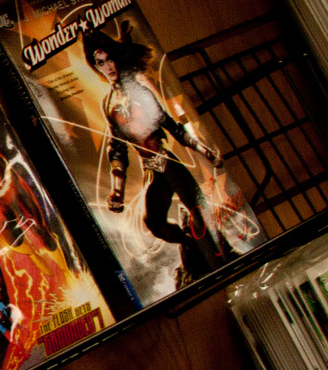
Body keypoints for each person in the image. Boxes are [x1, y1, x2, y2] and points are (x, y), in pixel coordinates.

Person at [84, 22, 227, 278]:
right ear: (95, 66)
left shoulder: (139, 90)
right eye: (101, 62)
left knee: (197, 212)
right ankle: (193, 249)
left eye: (110, 59)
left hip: (169, 164)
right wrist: (117, 192)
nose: (108, 66)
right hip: (152, 172)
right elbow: (117, 149)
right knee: (154, 223)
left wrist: (206, 152)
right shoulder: (107, 104)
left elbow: (173, 127)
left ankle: (218, 262)